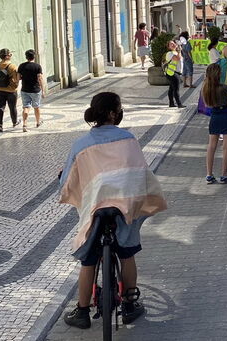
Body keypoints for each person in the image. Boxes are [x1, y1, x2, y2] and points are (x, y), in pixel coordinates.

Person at [59, 92, 167, 330]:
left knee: (88, 260)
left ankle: (82, 311)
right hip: (124, 208)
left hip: (95, 209)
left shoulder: (80, 144)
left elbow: (66, 181)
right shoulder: (129, 139)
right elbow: (140, 173)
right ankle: (129, 305)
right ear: (112, 113)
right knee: (127, 253)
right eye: (118, 109)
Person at [0, 48, 20, 133]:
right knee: (12, 107)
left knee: (0, 107)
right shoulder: (13, 66)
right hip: (11, 90)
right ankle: (14, 122)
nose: (11, 55)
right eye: (10, 54)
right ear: (7, 56)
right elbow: (16, 78)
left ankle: (0, 125)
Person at [17, 50, 45, 132]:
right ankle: (38, 122)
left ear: (26, 57)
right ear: (34, 56)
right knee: (36, 107)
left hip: (25, 89)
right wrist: (43, 90)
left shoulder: (21, 66)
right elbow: (40, 78)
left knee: (26, 107)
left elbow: (18, 78)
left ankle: (25, 124)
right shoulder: (37, 66)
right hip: (35, 90)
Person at [163, 40, 183, 108]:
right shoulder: (169, 53)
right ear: (168, 47)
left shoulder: (175, 52)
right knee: (176, 89)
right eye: (171, 44)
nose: (173, 44)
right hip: (172, 73)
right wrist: (179, 51)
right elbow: (177, 59)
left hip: (175, 72)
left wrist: (179, 51)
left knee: (171, 88)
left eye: (173, 43)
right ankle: (179, 104)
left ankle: (171, 103)